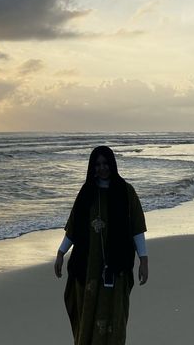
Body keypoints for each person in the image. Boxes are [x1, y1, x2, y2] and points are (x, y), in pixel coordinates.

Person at [54, 146, 148, 344]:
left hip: (117, 267)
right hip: (88, 267)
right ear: (92, 167)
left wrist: (144, 260)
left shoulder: (125, 192)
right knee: (87, 313)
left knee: (115, 313)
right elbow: (74, 227)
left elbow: (137, 228)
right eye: (97, 164)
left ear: (112, 164)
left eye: (105, 163)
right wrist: (61, 252)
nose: (102, 168)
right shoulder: (87, 192)